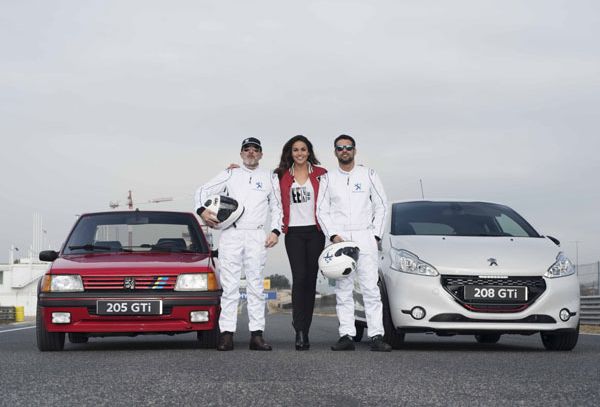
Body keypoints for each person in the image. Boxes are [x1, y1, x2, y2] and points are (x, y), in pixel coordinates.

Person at [195, 137, 283, 351]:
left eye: (255, 150)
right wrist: (202, 211)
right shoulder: (230, 173)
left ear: (261, 154)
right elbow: (202, 191)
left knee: (255, 285)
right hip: (231, 234)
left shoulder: (270, 177)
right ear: (241, 153)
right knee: (230, 286)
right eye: (247, 150)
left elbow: (278, 207)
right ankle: (226, 334)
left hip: (256, 234)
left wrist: (275, 230)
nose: (251, 153)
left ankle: (257, 335)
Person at [316, 134, 392, 352]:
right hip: (340, 240)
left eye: (348, 147)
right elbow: (322, 210)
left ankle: (376, 335)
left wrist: (375, 235)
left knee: (370, 288)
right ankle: (346, 335)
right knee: (344, 288)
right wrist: (333, 236)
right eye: (340, 148)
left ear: (355, 150)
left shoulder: (368, 174)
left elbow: (381, 206)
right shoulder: (328, 179)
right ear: (335, 152)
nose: (344, 151)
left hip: (365, 236)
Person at [275, 135, 327, 351]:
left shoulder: (322, 174)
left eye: (303, 149)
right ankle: (299, 330)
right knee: (300, 278)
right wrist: (235, 169)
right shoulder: (280, 176)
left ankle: (306, 328)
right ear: (290, 152)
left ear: (309, 152)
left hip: (316, 231)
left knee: (311, 280)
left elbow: (338, 190)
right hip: (294, 233)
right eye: (295, 150)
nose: (299, 153)